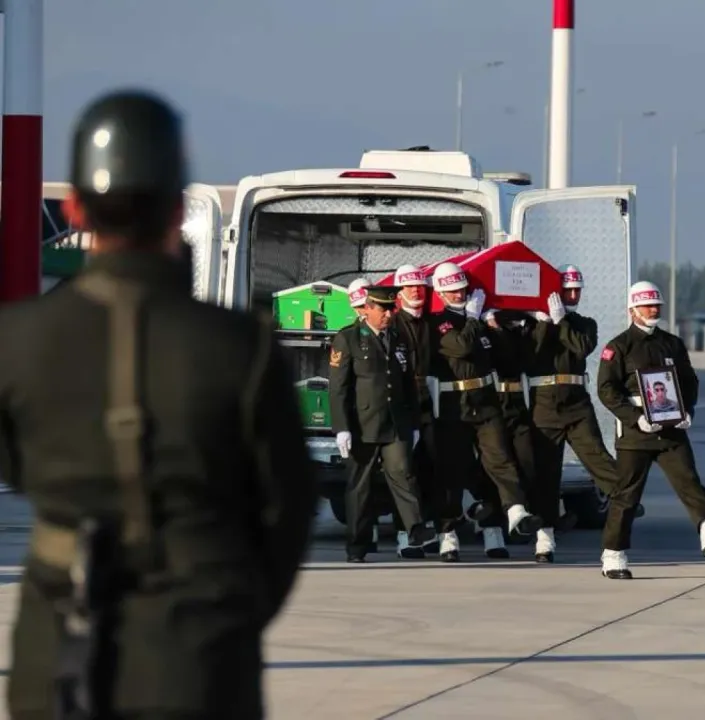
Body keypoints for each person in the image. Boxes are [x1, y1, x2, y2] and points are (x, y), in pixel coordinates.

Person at [0, 89, 317, 719]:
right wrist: (233, 606)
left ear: (73, 208)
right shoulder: (241, 347)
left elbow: (15, 468)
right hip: (199, 652)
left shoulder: (17, 341)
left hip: (55, 653)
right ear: (178, 209)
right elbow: (287, 506)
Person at [596, 281, 705, 579]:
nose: (653, 310)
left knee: (689, 481)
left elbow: (689, 382)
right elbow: (606, 390)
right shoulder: (619, 347)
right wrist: (636, 418)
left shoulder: (672, 343)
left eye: (657, 305)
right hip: (636, 435)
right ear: (633, 309)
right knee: (627, 496)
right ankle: (614, 555)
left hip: (672, 429)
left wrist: (688, 410)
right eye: (648, 305)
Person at [426, 262, 542, 562]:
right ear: (440, 292)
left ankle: (514, 513)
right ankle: (448, 535)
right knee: (452, 473)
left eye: (462, 288)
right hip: (454, 405)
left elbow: (506, 360)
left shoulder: (476, 320)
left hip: (486, 400)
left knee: (500, 460)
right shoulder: (440, 323)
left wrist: (498, 326)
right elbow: (461, 346)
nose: (459, 294)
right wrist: (475, 319)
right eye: (451, 290)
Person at [329, 285, 436, 563]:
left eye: (391, 309)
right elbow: (338, 388)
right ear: (367, 309)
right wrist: (341, 427)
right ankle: (357, 545)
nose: (388, 314)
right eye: (382, 309)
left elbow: (407, 386)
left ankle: (415, 529)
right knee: (360, 488)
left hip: (395, 422)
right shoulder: (348, 339)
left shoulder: (398, 339)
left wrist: (413, 423)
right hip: (362, 425)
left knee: (403, 474)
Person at [528, 265, 626, 560]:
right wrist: (546, 323)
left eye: (577, 290)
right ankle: (544, 538)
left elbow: (582, 348)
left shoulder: (585, 323)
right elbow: (531, 354)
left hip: (576, 403)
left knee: (597, 458)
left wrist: (563, 321)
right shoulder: (535, 324)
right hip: (544, 402)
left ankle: (625, 502)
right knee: (545, 473)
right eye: (568, 290)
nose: (573, 295)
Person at [475, 307, 539, 560]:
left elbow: (528, 360)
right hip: (492, 400)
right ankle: (493, 534)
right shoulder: (480, 327)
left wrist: (537, 322)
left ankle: (518, 519)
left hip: (518, 401)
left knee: (526, 464)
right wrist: (492, 326)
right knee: (495, 468)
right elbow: (495, 358)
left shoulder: (526, 325)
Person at [389, 264, 441, 558]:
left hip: (431, 403)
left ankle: (428, 529)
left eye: (420, 286)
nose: (416, 290)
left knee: (430, 468)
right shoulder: (393, 325)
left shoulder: (431, 324)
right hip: (404, 405)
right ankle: (405, 535)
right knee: (404, 473)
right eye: (409, 287)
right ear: (399, 293)